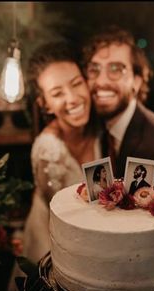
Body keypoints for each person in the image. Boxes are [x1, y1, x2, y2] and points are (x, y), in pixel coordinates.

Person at [15, 41, 101, 265]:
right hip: (52, 246)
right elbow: (62, 218)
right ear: (46, 104)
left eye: (76, 84)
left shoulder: (102, 131)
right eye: (57, 93)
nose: (72, 98)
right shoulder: (48, 150)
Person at [82, 25, 154, 190]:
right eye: (94, 69)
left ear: (137, 81)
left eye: (116, 69)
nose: (101, 81)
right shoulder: (97, 126)